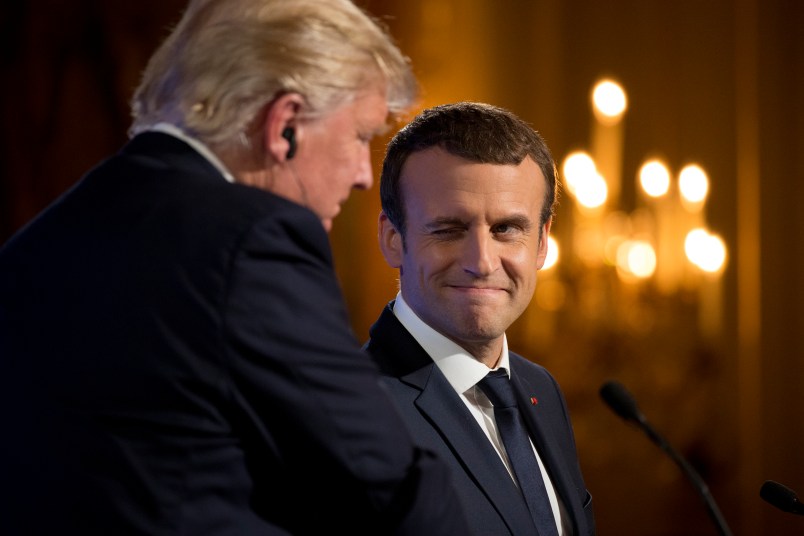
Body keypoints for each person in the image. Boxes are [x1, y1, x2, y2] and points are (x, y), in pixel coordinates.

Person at [0, 1, 471, 534]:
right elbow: (389, 486)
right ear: (285, 126)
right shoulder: (250, 239)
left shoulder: (33, 245)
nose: (365, 174)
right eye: (361, 136)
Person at [365, 102, 596, 535]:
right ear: (393, 238)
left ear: (542, 243)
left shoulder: (541, 391)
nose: (482, 262)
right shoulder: (349, 411)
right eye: (449, 229)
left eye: (507, 229)